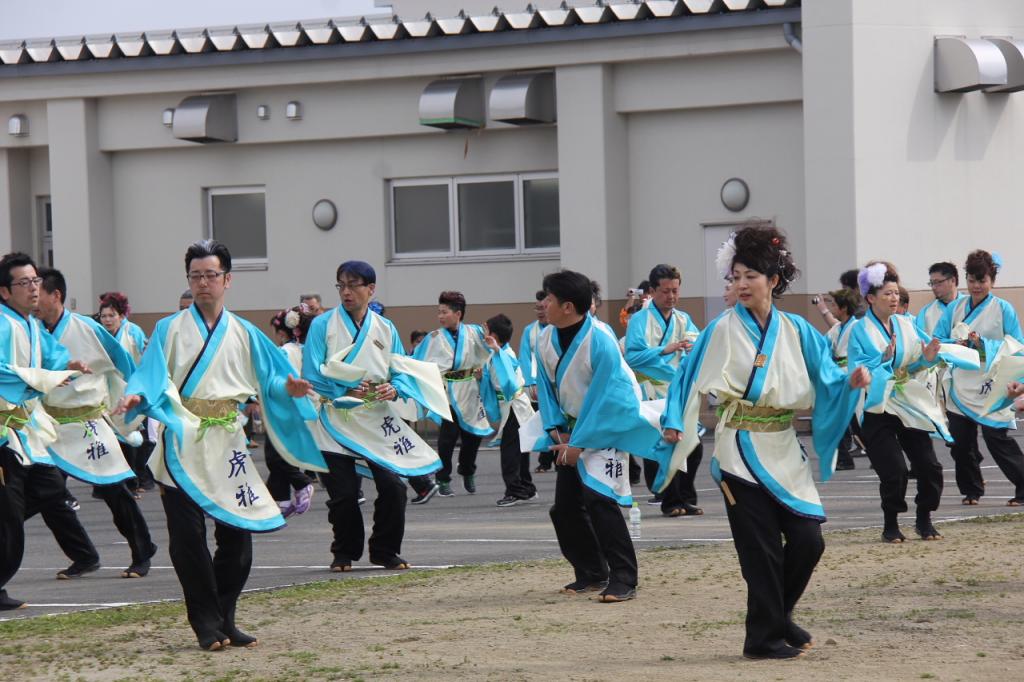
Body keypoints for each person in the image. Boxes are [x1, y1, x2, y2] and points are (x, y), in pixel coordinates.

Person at [662, 226, 870, 659]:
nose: (740, 283)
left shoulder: (796, 329)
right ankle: (762, 638)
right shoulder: (721, 329)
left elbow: (827, 376)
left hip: (782, 447)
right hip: (738, 448)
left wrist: (850, 381)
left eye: (750, 275)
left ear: (773, 281)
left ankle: (779, 618)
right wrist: (673, 422)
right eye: (735, 275)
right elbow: (686, 377)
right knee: (760, 549)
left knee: (809, 540)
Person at [116, 239, 325, 651]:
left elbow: (271, 376)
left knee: (238, 537)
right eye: (196, 276)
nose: (203, 283)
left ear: (228, 280)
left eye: (211, 275)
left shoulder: (244, 332)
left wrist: (290, 385)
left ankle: (225, 617)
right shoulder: (169, 329)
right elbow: (151, 375)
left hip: (227, 441)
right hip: (183, 441)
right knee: (188, 540)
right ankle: (205, 624)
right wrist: (138, 396)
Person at [522, 269, 668, 603]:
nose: (542, 304)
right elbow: (545, 387)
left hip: (606, 427)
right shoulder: (544, 337)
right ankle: (590, 571)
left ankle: (623, 577)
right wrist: (555, 428)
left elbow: (608, 398)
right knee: (566, 510)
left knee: (601, 501)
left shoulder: (600, 340)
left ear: (569, 306)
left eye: (548, 298)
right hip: (571, 430)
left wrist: (578, 444)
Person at [303, 260, 448, 572]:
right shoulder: (322, 326)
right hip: (335, 418)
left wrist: (393, 390)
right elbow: (312, 374)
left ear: (370, 289)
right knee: (343, 495)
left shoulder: (385, 327)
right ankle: (343, 551)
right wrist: (345, 390)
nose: (346, 291)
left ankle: (385, 550)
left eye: (353, 284)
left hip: (376, 419)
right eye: (341, 285)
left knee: (394, 487)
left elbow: (400, 370)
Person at [35, 269, 159, 578]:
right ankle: (84, 555)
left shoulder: (86, 327)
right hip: (50, 427)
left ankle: (142, 549)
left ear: (56, 295)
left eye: (39, 293)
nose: (34, 299)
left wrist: (134, 396)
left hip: (87, 422)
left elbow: (122, 361)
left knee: (114, 490)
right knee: (46, 494)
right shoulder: (32, 329)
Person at [0, 252, 100, 610]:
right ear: (5, 291)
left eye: (36, 282)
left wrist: (66, 365)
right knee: (11, 512)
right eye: (24, 283)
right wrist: (43, 378)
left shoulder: (30, 324)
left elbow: (50, 357)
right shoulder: (2, 324)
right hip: (4, 432)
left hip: (26, 431)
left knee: (50, 489)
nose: (33, 289)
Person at [847, 262, 972, 542]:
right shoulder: (859, 330)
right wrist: (882, 359)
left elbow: (917, 363)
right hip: (877, 406)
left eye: (895, 293)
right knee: (895, 470)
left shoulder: (906, 324)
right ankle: (890, 523)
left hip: (906, 400)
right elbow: (859, 370)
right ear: (870, 298)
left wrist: (928, 355)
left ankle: (924, 517)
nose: (894, 298)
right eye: (887, 294)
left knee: (929, 466)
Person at [932, 250, 1024, 506]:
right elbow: (939, 339)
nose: (976, 286)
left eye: (981, 281)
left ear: (992, 281)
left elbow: (1017, 344)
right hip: (961, 383)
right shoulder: (955, 307)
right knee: (960, 442)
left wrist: (983, 345)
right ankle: (971, 489)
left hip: (992, 382)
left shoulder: (1002, 308)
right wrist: (959, 343)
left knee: (997, 439)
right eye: (972, 281)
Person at [623, 264, 703, 516]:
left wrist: (693, 347)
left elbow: (697, 341)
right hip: (651, 392)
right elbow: (632, 356)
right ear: (653, 291)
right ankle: (669, 500)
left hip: (677, 390)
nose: (671, 296)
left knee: (693, 445)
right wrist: (664, 349)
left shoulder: (683, 319)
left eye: (675, 291)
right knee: (661, 445)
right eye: (666, 291)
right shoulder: (639, 320)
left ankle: (685, 496)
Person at [413, 291, 493, 496]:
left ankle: (467, 469)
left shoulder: (475, 332)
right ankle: (443, 477)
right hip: (447, 392)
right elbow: (418, 361)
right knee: (447, 439)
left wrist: (484, 358)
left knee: (473, 437)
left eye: (445, 312)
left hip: (470, 391)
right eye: (438, 312)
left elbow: (488, 353)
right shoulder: (433, 338)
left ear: (458, 313)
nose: (440, 316)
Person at [99, 291, 155, 491]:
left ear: (122, 316)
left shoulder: (134, 333)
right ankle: (122, 481)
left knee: (139, 436)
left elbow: (145, 359)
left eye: (111, 315)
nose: (107, 320)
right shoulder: (100, 334)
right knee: (114, 436)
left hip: (133, 389)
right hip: (110, 392)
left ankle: (140, 477)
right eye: (103, 316)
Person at [264, 306, 317, 518]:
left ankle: (302, 483)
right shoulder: (311, 352)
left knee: (275, 456)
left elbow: (273, 379)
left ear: (286, 332)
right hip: (308, 408)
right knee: (282, 456)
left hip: (285, 408)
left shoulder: (285, 351)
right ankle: (281, 501)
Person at [480, 313, 537, 507]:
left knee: (510, 451)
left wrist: (496, 350)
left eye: (486, 330)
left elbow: (508, 379)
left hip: (514, 406)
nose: (483, 332)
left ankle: (514, 490)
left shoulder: (503, 354)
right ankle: (526, 487)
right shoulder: (498, 353)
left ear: (493, 335)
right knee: (520, 449)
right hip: (513, 405)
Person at [824, 288, 862, 470]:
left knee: (856, 421)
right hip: (839, 375)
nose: (831, 308)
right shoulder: (836, 329)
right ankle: (845, 458)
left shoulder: (858, 327)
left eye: (834, 304)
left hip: (852, 373)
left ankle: (847, 458)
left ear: (844, 308)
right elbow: (823, 346)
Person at [917, 262, 965, 336]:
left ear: (953, 280)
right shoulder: (926, 312)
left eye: (937, 282)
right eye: (931, 283)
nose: (933, 287)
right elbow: (920, 340)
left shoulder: (968, 305)